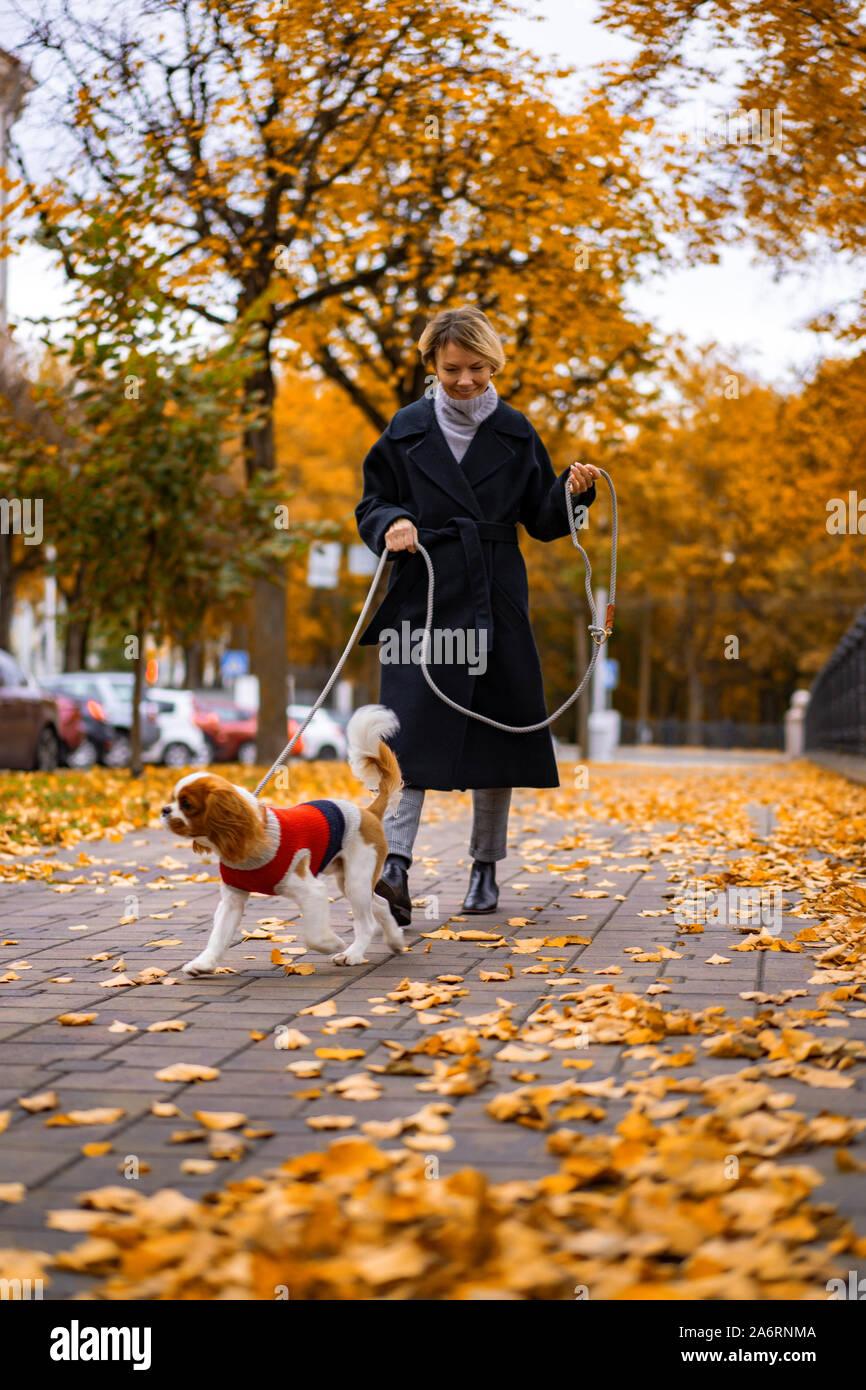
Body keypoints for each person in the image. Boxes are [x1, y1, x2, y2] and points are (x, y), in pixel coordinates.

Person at [354, 305, 601, 922]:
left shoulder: (517, 432)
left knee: (498, 736)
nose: (464, 380)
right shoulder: (405, 428)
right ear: (432, 365)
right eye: (452, 368)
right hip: (425, 597)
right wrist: (394, 522)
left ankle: (484, 872)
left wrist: (573, 494)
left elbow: (543, 523)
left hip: (497, 599)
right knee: (406, 737)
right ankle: (396, 869)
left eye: (476, 368)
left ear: (494, 364)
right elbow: (370, 504)